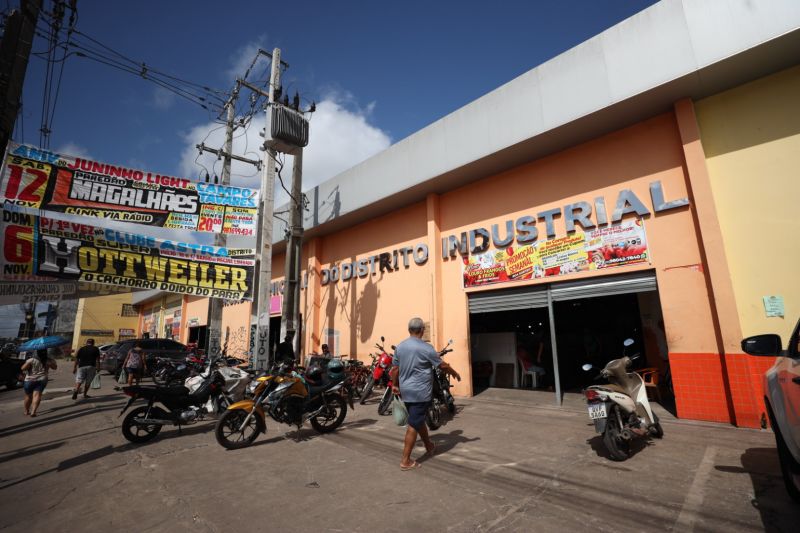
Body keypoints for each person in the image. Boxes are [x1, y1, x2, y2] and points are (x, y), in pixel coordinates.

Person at [389, 317, 461, 471]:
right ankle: (405, 461)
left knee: (418, 419)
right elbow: (441, 365)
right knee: (414, 424)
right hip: (419, 392)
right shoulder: (426, 348)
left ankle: (429, 446)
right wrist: (454, 373)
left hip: (406, 391)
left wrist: (395, 385)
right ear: (422, 330)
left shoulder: (400, 347)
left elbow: (394, 369)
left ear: (409, 330)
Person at [21, 349, 57, 417]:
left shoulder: (31, 360)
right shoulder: (49, 360)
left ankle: (26, 411)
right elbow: (55, 368)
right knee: (37, 395)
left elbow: (23, 368)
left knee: (28, 396)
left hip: (29, 380)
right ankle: (33, 412)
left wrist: (29, 365)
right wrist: (50, 364)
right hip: (42, 379)